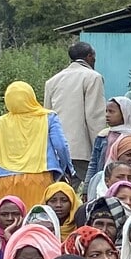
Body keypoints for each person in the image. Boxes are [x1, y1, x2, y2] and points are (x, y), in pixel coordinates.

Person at [0, 82, 73, 212]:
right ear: (31, 96)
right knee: (38, 217)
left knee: (10, 218)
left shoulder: (1, 122)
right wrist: (66, 167)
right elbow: (61, 146)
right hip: (39, 177)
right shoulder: (48, 117)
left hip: (6, 179)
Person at [44, 41, 108, 179]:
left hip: (57, 149)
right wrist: (100, 148)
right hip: (82, 150)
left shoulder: (52, 81)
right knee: (92, 186)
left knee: (61, 188)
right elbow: (95, 117)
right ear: (89, 56)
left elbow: (47, 117)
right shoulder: (93, 77)